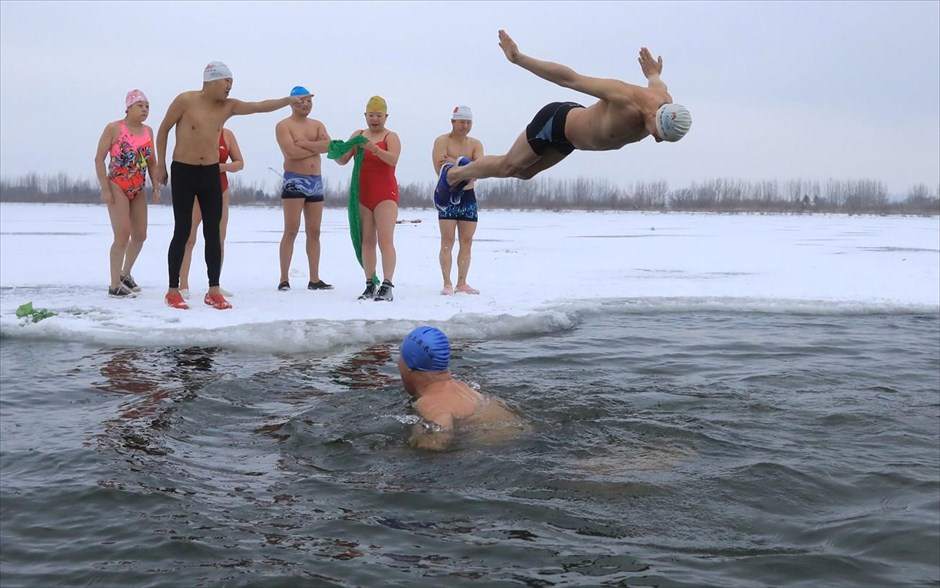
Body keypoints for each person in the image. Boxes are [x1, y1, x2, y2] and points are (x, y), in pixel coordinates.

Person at [435, 30, 692, 200]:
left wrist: (652, 72)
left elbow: (656, 80)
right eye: (655, 133)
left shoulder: (663, 97)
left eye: (661, 140)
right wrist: (519, 58)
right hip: (556, 122)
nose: (655, 139)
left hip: (570, 142)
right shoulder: (624, 96)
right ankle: (453, 175)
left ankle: (464, 171)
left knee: (524, 174)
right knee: (508, 166)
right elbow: (570, 79)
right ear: (655, 114)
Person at [154, 61, 308, 310]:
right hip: (183, 170)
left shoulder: (228, 106)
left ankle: (213, 290)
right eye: (226, 82)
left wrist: (288, 100)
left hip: (211, 174)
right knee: (182, 230)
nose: (229, 87)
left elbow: (260, 106)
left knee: (213, 232)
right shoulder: (185, 100)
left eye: (231, 83)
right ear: (211, 81)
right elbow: (163, 130)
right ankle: (173, 290)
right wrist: (160, 164)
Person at [398, 326, 523, 451]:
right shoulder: (465, 388)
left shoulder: (430, 402)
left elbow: (438, 438)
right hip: (517, 436)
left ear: (411, 362)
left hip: (491, 451)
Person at [334, 96, 401, 302]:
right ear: (365, 115)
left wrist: (375, 149)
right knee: (367, 240)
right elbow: (343, 160)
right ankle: (370, 283)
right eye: (371, 115)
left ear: (386, 116)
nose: (374, 119)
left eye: (378, 115)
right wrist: (336, 150)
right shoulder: (358, 135)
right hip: (363, 195)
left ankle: (387, 285)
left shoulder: (391, 136)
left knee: (385, 240)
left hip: (385, 195)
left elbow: (393, 159)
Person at [94, 89, 160, 298]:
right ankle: (114, 285)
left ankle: (125, 274)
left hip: (138, 187)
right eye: (140, 105)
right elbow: (99, 158)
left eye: (147, 106)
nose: (145, 110)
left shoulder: (148, 131)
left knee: (140, 235)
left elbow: (152, 161)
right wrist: (105, 187)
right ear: (129, 107)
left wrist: (156, 186)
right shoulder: (114, 128)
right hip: (117, 185)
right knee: (122, 234)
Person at [274, 85, 333, 292]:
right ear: (293, 102)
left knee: (314, 231)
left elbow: (329, 146)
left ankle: (314, 278)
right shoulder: (284, 125)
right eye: (302, 101)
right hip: (294, 180)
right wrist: (314, 146)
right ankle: (284, 278)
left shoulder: (317, 125)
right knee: (291, 230)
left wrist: (305, 144)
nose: (306, 104)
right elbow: (291, 152)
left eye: (309, 101)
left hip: (315, 181)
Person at [178, 127, 243, 300]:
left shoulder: (227, 134)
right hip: (196, 191)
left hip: (220, 190)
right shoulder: (194, 130)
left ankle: (215, 285)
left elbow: (239, 163)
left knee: (218, 239)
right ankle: (182, 284)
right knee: (188, 238)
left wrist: (223, 167)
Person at [431, 105, 485, 296]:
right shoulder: (441, 141)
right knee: (447, 241)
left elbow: (479, 169)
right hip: (447, 195)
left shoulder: (476, 144)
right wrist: (464, 164)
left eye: (468, 122)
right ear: (453, 122)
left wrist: (456, 161)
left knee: (467, 241)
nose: (465, 126)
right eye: (462, 122)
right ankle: (447, 283)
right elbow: (441, 168)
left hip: (468, 197)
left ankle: (462, 283)